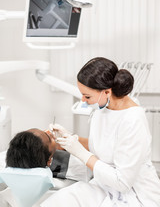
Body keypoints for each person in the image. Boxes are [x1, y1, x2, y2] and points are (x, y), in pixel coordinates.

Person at [42, 57, 160, 207]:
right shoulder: (103, 108)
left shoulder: (132, 120)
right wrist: (68, 139)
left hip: (134, 195)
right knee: (59, 200)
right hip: (104, 185)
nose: (83, 100)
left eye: (87, 96)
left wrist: (80, 153)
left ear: (107, 92)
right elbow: (100, 146)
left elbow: (122, 182)